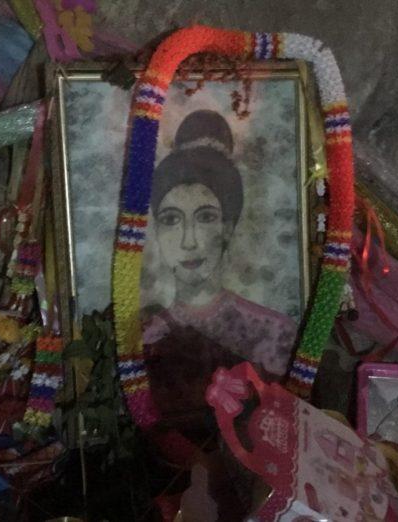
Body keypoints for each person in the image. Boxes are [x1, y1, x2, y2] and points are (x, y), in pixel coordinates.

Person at [141, 110, 298, 433]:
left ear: (228, 227)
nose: (189, 241)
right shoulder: (146, 338)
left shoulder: (274, 334)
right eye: (171, 220)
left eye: (205, 218)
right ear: (156, 230)